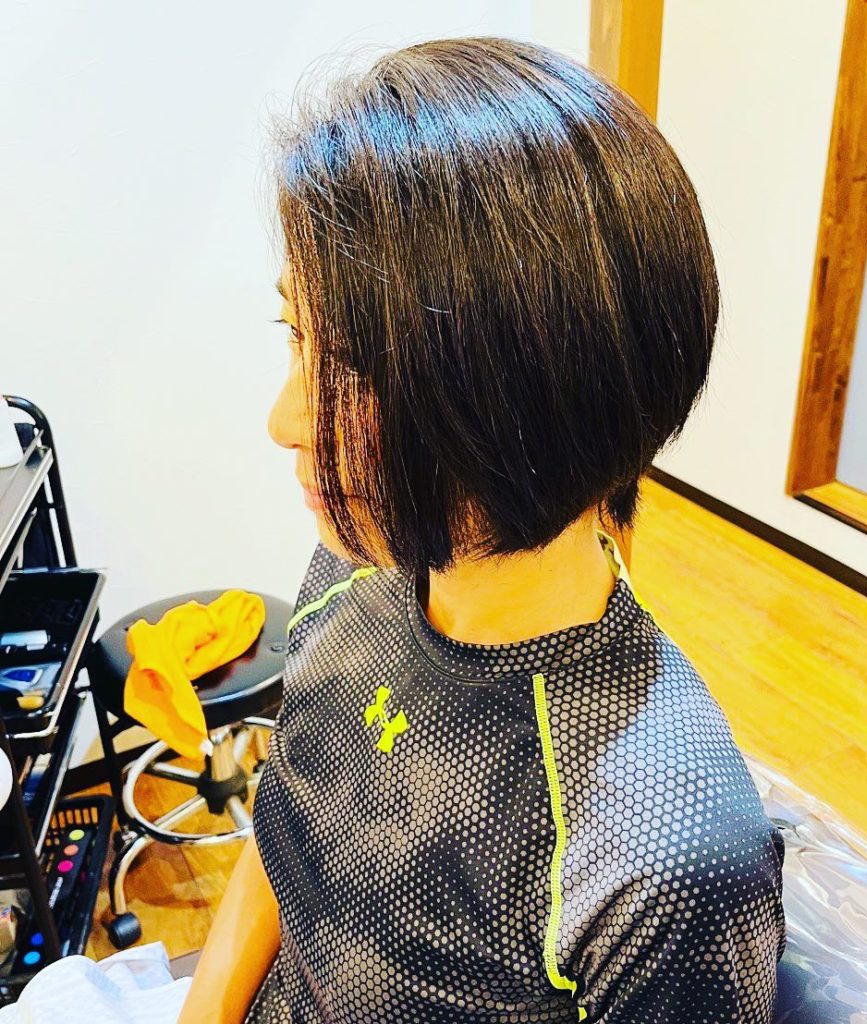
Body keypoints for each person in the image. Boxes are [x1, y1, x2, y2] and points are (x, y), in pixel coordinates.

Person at [179, 35, 786, 1024]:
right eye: (296, 336)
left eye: (354, 367)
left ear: (526, 404)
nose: (285, 420)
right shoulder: (359, 562)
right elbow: (287, 830)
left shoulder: (658, 857)